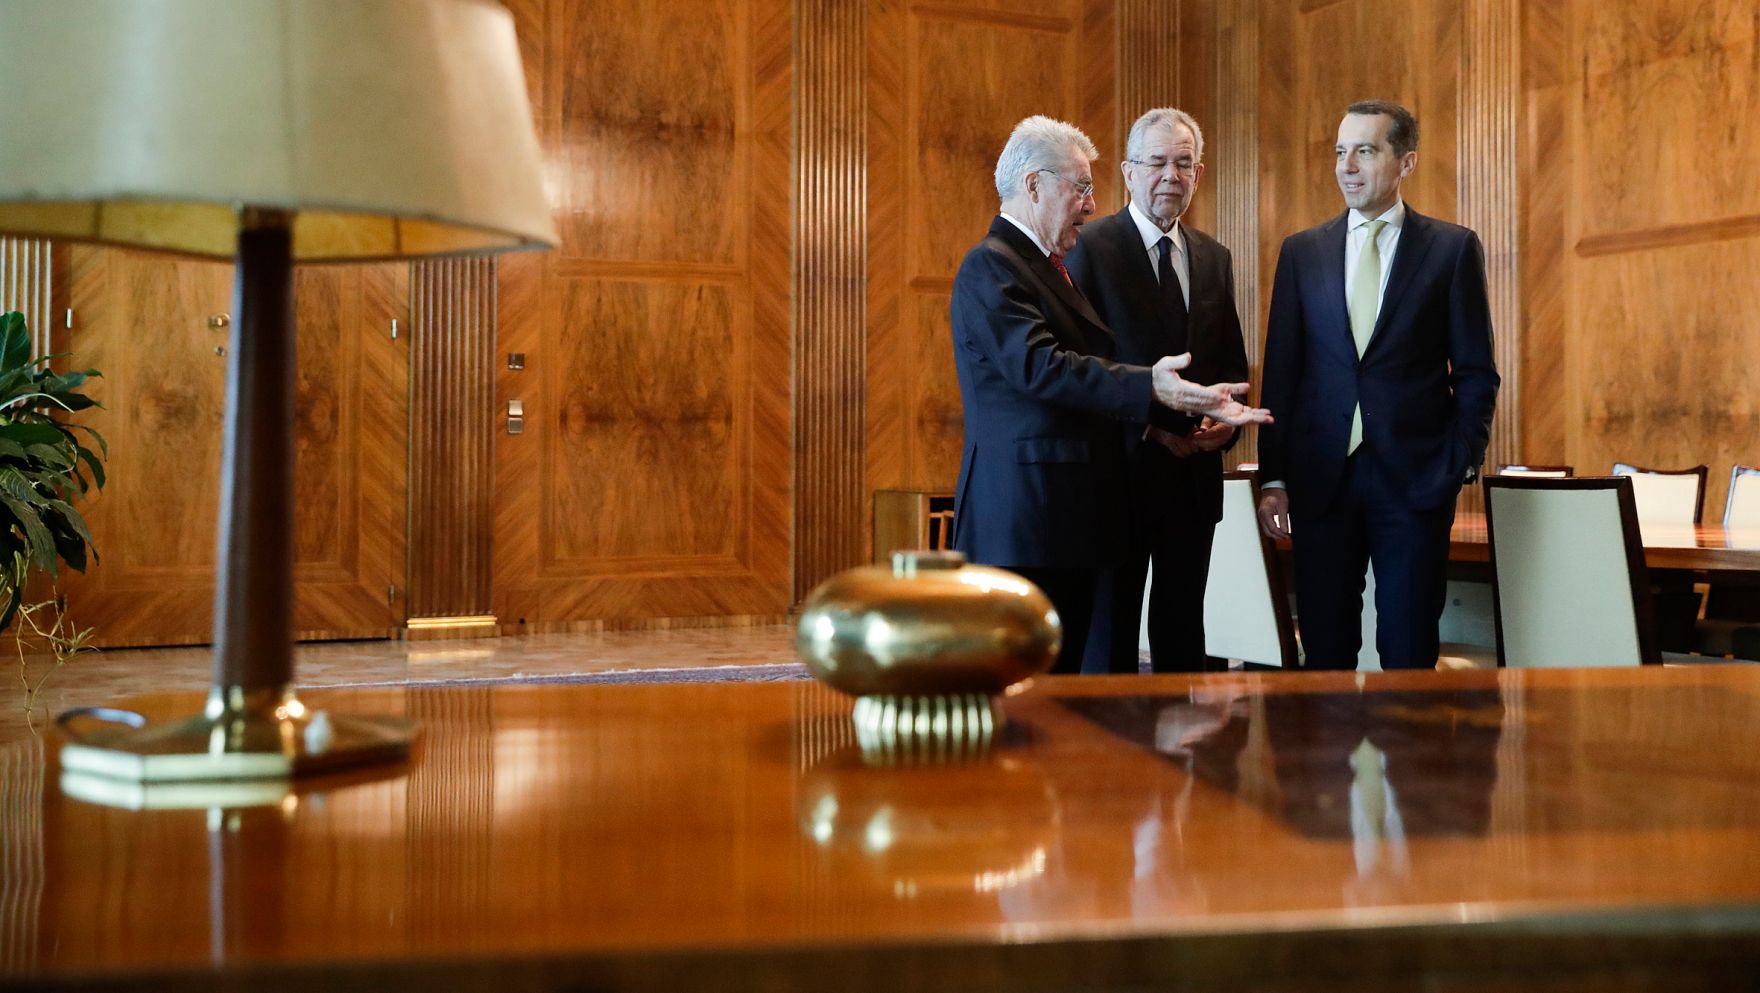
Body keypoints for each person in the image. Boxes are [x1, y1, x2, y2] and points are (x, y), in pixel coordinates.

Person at [949, 115, 1271, 674]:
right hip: (1028, 517)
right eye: (1080, 188)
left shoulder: (1041, 267)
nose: (1090, 204)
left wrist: (1204, 411)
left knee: (1070, 690)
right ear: (1034, 186)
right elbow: (1044, 368)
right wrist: (1152, 392)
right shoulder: (992, 265)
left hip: (1066, 513)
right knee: (1045, 693)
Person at [1256, 100, 1499, 670]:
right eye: (1341, 152)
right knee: (1325, 653)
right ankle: (1324, 761)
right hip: (1321, 483)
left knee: (1409, 650)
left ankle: (1411, 763)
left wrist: (1460, 459)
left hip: (1414, 482)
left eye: (1365, 151)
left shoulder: (1451, 249)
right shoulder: (1301, 252)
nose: (1348, 167)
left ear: (1405, 162)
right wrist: (1273, 476)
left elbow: (1475, 370)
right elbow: (1282, 373)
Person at [1066, 108, 1250, 674]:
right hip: (1118, 476)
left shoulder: (1213, 257)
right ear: (1127, 171)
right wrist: (1148, 423)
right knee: (1111, 640)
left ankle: (1180, 761)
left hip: (1192, 483)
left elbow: (1230, 360)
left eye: (1184, 163)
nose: (1171, 175)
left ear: (1199, 173)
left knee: (1182, 636)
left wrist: (1224, 424)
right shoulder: (1088, 248)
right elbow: (1077, 367)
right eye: (1157, 162)